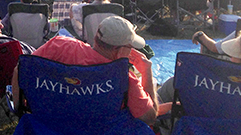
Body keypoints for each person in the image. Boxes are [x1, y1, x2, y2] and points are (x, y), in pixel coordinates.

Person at [14, 16, 158, 126]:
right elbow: (150, 117)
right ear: (120, 51)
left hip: (48, 125)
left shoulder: (58, 45)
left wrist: (19, 106)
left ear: (96, 38)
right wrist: (147, 72)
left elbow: (21, 69)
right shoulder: (124, 79)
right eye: (130, 47)